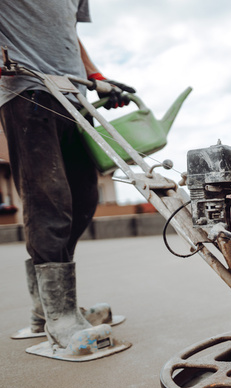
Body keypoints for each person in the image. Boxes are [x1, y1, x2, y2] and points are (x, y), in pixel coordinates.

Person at [0, 0, 132, 357]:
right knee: (49, 199)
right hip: (25, 87)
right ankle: (59, 319)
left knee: (84, 198)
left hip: (73, 93)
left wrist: (97, 78)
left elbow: (69, 31)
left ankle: (47, 308)